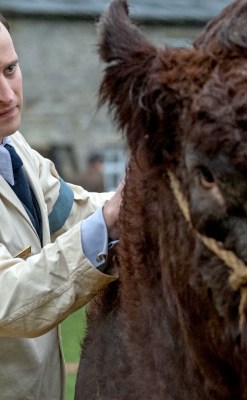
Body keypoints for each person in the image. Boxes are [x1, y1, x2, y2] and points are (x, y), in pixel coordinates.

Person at [0, 14, 123, 399]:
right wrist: (109, 223)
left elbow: (70, 212)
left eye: (9, 69)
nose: (7, 94)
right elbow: (9, 299)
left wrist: (150, 202)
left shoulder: (13, 149)